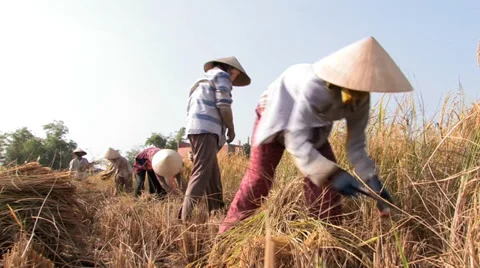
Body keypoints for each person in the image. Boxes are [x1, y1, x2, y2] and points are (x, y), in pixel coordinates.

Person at [218, 36, 413, 234]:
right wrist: (332, 173)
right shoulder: (316, 86)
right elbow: (296, 139)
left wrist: (373, 182)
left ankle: (325, 239)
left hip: (312, 125)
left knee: (326, 189)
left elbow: (356, 146)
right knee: (259, 180)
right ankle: (226, 235)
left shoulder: (360, 100)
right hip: (274, 112)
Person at [181, 56, 251, 222]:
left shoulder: (202, 81)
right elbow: (224, 106)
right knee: (202, 171)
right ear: (232, 70)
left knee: (212, 173)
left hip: (195, 128)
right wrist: (231, 128)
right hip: (206, 129)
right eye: (234, 77)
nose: (233, 81)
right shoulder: (222, 76)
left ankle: (217, 211)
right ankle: (184, 218)